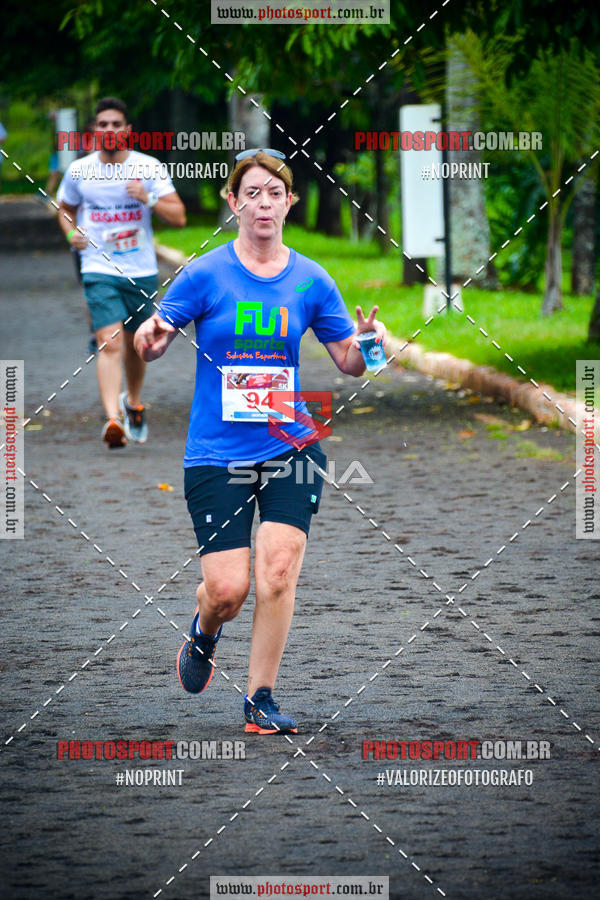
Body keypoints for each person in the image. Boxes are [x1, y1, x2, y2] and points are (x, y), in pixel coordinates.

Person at [134, 149, 386, 734]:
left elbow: (350, 362)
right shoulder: (205, 274)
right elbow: (157, 339)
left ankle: (260, 700)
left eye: (275, 193)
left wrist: (372, 341)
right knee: (228, 589)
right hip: (216, 454)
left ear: (290, 202)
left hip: (291, 445)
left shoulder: (311, 279)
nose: (264, 203)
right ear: (234, 202)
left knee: (277, 570)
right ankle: (204, 629)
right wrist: (148, 339)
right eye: (252, 193)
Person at [57, 97, 186, 448]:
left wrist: (148, 198)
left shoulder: (148, 167)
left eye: (116, 124)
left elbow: (179, 217)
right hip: (99, 268)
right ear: (94, 131)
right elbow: (65, 208)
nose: (110, 130)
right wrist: (71, 233)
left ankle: (134, 403)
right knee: (109, 343)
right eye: (103, 124)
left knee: (136, 345)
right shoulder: (80, 171)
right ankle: (113, 420)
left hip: (141, 271)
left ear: (128, 131)